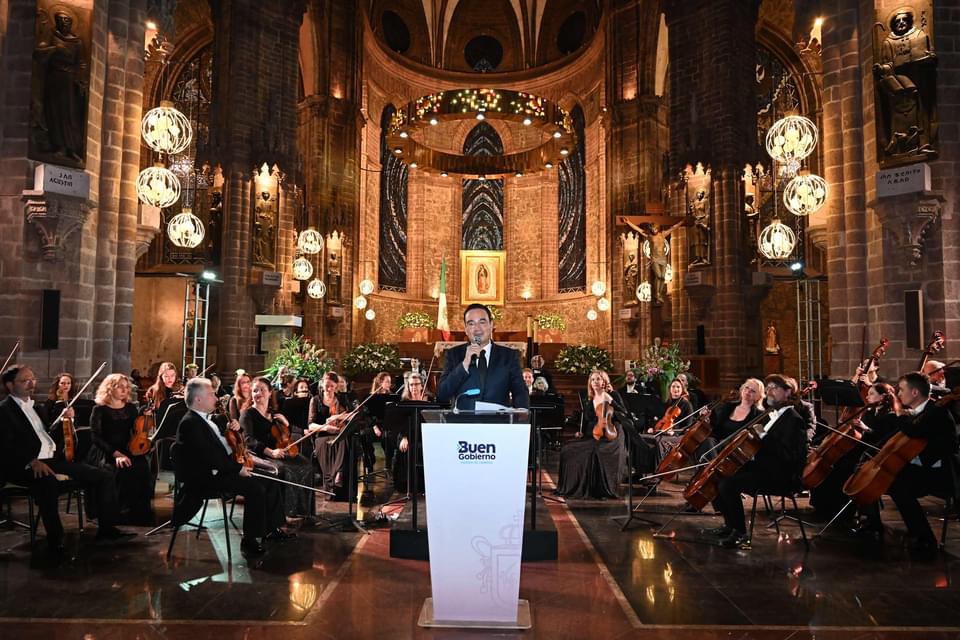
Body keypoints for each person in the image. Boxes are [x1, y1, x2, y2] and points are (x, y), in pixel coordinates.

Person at [0, 365, 134, 553]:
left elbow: (49, 437)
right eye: (25, 380)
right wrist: (31, 461)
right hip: (23, 466)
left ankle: (107, 530)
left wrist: (66, 420)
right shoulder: (4, 411)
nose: (32, 384)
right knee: (47, 482)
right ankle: (55, 539)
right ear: (9, 385)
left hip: (51, 460)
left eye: (33, 379)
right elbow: (5, 447)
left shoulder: (36, 407)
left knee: (104, 476)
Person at [172, 377, 286, 557]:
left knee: (269, 479)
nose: (216, 398)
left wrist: (235, 429)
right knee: (256, 488)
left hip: (223, 469)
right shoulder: (190, 423)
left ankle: (271, 529)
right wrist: (237, 469)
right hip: (207, 478)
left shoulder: (209, 419)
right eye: (211, 394)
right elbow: (210, 457)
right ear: (199, 399)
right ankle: (250, 540)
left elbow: (230, 442)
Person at [857, 373, 958, 550]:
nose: (898, 394)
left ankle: (924, 537)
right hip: (918, 467)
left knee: (897, 484)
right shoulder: (917, 412)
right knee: (881, 477)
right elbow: (894, 437)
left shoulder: (936, 412)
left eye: (901, 390)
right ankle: (874, 523)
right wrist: (871, 454)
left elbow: (913, 431)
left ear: (914, 393)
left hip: (940, 472)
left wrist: (898, 411)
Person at [707, 374, 809, 549]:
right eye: (768, 387)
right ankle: (730, 525)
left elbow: (789, 456)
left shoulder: (794, 420)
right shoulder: (771, 415)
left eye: (774, 388)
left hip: (779, 475)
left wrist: (762, 436)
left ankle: (740, 532)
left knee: (728, 484)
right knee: (717, 476)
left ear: (787, 392)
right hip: (762, 468)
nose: (769, 391)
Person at [241, 377, 318, 518]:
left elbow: (285, 434)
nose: (258, 393)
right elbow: (248, 440)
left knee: (306, 464)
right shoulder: (248, 414)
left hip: (278, 452)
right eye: (255, 390)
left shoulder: (273, 414)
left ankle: (301, 509)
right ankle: (284, 512)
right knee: (284, 469)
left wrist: (286, 423)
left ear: (270, 393)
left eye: (262, 390)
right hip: (259, 455)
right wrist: (270, 452)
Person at [88, 374, 154, 525]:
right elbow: (96, 437)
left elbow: (137, 431)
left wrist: (145, 418)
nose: (125, 390)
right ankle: (118, 514)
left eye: (127, 387)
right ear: (110, 389)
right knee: (120, 469)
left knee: (142, 466)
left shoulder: (131, 408)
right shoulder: (99, 409)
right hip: (106, 451)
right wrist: (116, 454)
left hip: (127, 448)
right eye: (120, 387)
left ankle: (138, 514)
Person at [437, 304, 529, 410]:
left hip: (497, 423)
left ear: (491, 325)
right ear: (466, 329)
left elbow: (520, 391)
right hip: (464, 422)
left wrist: (522, 414)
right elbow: (442, 394)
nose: (477, 328)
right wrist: (464, 365)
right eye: (471, 323)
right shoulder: (454, 354)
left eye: (482, 322)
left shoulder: (508, 356)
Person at [555, 371, 627, 499]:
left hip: (612, 434)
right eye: (592, 379)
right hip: (595, 433)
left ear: (604, 381)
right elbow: (588, 420)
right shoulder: (589, 400)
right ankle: (571, 487)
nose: (595, 382)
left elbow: (624, 413)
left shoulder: (613, 395)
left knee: (594, 451)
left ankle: (598, 489)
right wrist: (580, 431)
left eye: (598, 379)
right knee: (567, 450)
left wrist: (610, 400)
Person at [307, 372, 358, 497]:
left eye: (331, 386)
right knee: (327, 444)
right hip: (322, 435)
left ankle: (338, 474)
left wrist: (337, 416)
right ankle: (334, 478)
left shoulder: (342, 399)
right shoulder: (315, 400)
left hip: (339, 432)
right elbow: (311, 425)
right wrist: (326, 427)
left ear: (336, 386)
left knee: (343, 439)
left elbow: (353, 414)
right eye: (326, 386)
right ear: (322, 385)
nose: (329, 389)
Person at [696, 378, 765, 462]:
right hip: (717, 446)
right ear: (742, 389)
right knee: (707, 441)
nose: (748, 392)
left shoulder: (759, 415)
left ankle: (711, 468)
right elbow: (715, 427)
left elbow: (758, 438)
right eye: (747, 388)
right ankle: (712, 468)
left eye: (753, 391)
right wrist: (707, 419)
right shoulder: (728, 406)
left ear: (758, 396)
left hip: (735, 451)